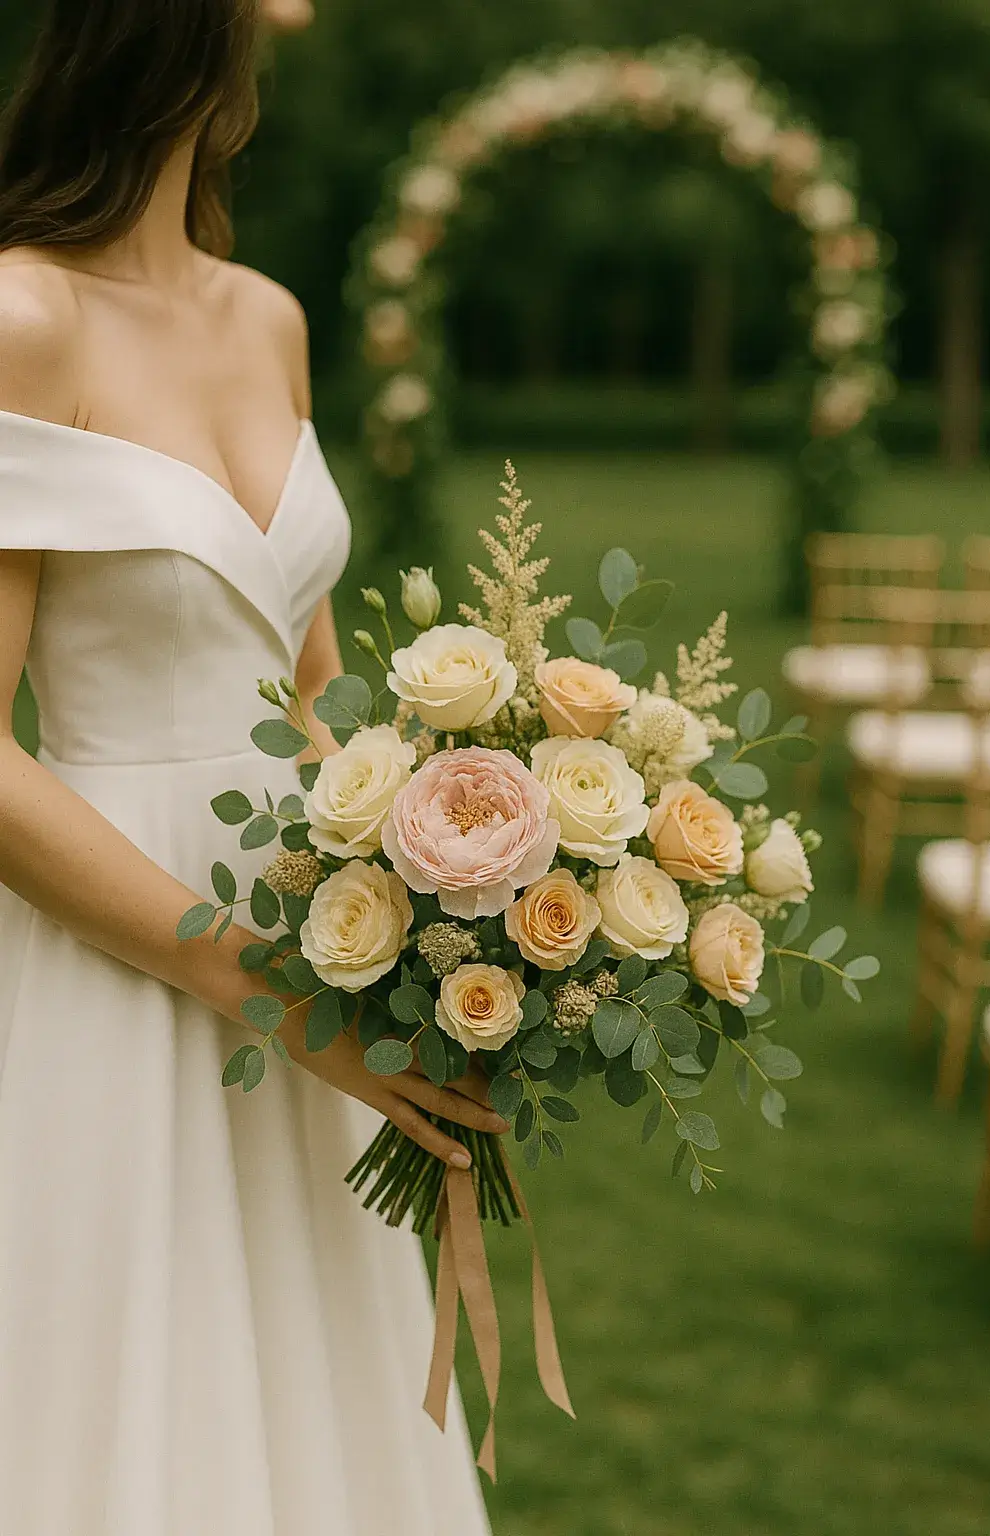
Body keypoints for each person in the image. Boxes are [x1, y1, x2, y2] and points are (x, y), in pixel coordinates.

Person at [0, 2, 498, 1530]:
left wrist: (452, 911)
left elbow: (313, 683)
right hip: (125, 974)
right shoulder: (28, 320)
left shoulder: (268, 315)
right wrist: (264, 993)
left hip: (320, 950)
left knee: (319, 1414)